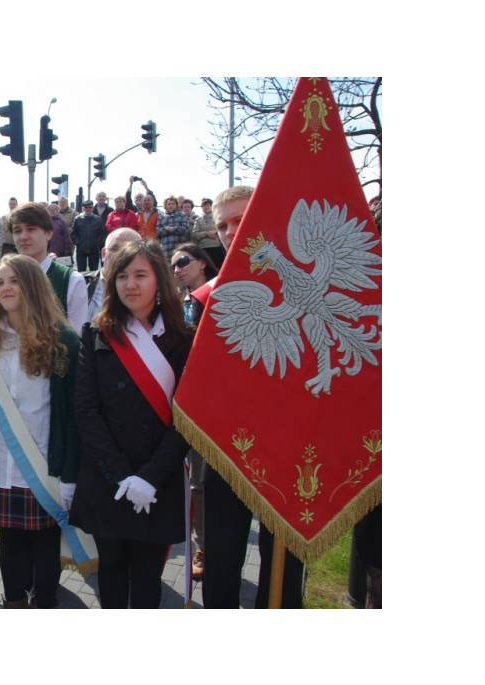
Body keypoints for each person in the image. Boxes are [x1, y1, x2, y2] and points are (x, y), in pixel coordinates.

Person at [198, 185, 306, 608]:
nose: (228, 231)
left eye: (240, 220)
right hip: (228, 445)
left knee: (284, 562)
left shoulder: (296, 286)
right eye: (222, 224)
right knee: (222, 558)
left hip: (291, 444)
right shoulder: (210, 297)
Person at [71, 240, 193, 608]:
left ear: (160, 280)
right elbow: (86, 412)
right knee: (110, 571)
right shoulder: (95, 335)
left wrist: (149, 477)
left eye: (141, 274)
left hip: (159, 480)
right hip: (110, 479)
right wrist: (122, 477)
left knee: (146, 577)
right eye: (121, 276)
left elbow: (188, 419)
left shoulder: (185, 340)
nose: (130, 285)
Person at [0, 255, 80, 608]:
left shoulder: (63, 341)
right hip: (1, 466)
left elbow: (71, 416)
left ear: (32, 285)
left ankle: (44, 604)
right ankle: (13, 603)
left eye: (14, 280)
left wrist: (69, 475)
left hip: (45, 467)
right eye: (0, 282)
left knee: (46, 544)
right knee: (9, 542)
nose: (5, 288)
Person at [169, 242, 219, 579]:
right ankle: (196, 540)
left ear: (202, 263)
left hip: (213, 405)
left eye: (183, 262)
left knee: (204, 482)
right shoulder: (178, 303)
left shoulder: (221, 297)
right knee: (189, 482)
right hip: (181, 403)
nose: (177, 270)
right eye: (173, 266)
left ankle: (209, 545)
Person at [5, 201, 88, 333]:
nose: (23, 237)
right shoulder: (0, 281)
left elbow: (77, 337)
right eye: (17, 230)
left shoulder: (71, 280)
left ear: (49, 234)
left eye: (31, 229)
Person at [86, 227, 142, 321]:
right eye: (115, 248)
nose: (121, 255)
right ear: (104, 254)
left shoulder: (149, 291)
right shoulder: (82, 285)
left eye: (130, 250)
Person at [71, 199, 106, 273]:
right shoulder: (78, 219)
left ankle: (93, 284)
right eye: (86, 208)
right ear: (83, 209)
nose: (88, 209)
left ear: (93, 208)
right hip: (81, 249)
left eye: (90, 207)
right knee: (81, 271)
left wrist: (97, 243)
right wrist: (78, 243)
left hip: (94, 249)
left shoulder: (98, 219)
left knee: (94, 271)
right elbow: (73, 233)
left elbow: (102, 233)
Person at [191, 197, 226, 269]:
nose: (205, 207)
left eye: (207, 205)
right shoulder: (198, 220)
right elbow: (194, 235)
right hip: (204, 248)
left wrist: (215, 232)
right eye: (203, 206)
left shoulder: (218, 217)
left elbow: (224, 229)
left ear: (211, 206)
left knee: (218, 268)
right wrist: (206, 233)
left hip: (216, 248)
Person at [158, 196, 191, 260]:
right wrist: (167, 229)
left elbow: (185, 228)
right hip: (166, 248)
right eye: (169, 204)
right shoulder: (161, 217)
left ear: (176, 205)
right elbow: (158, 231)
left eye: (173, 204)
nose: (171, 206)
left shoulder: (181, 215)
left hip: (179, 246)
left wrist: (174, 229)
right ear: (165, 205)